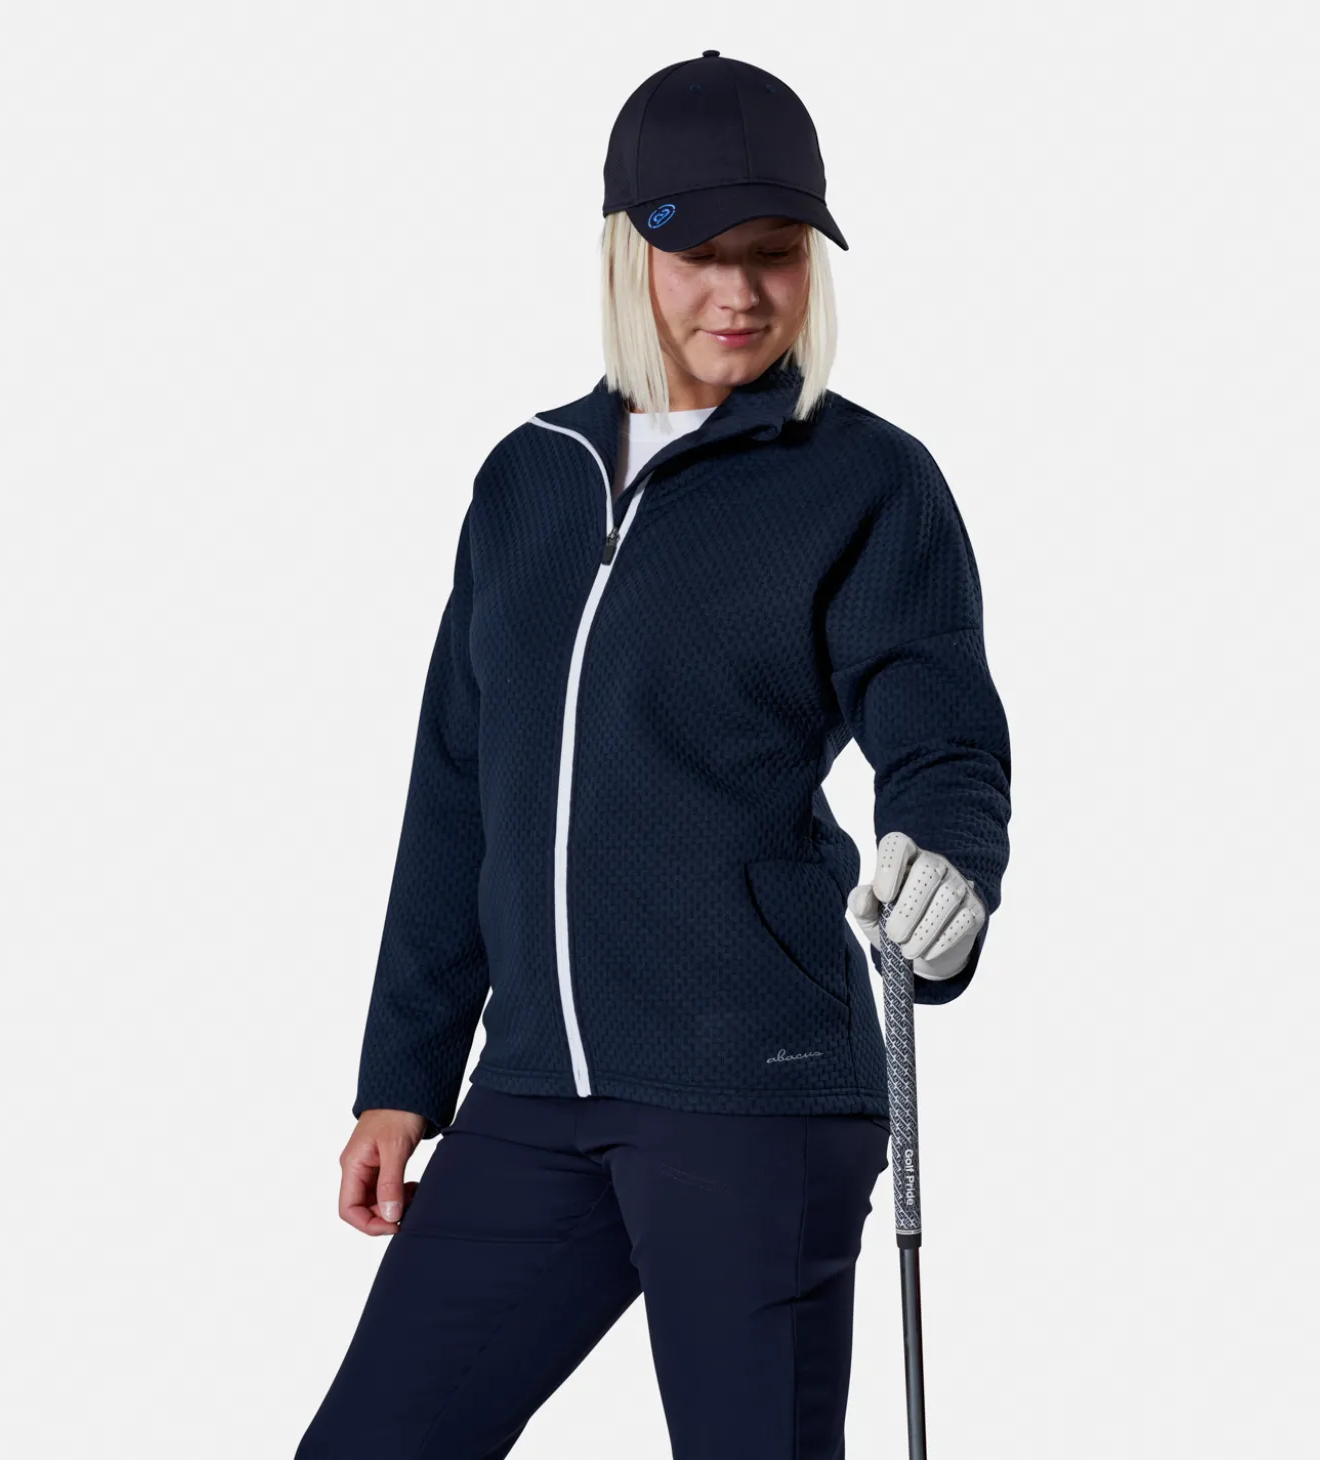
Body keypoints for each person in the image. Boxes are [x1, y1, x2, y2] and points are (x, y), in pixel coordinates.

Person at [295, 49, 1011, 1460]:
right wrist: (402, 1076)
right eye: (699, 256)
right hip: (534, 1090)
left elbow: (942, 739)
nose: (739, 294)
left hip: (755, 1093)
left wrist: (950, 864)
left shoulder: (864, 481)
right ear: (630, 251)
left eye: (775, 253)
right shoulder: (528, 479)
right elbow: (458, 791)